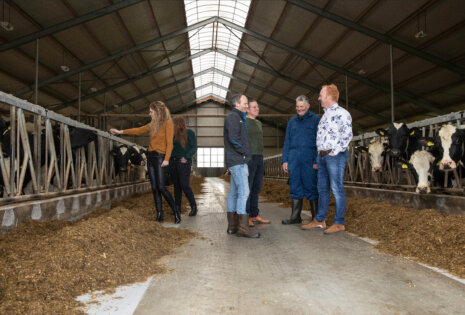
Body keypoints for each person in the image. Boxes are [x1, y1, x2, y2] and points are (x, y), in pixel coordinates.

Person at [109, 101, 180, 224]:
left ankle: (176, 212)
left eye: (151, 112)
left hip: (160, 157)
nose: (149, 114)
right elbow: (138, 130)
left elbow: (170, 143)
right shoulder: (152, 124)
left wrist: (167, 159)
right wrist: (121, 132)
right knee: (154, 187)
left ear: (158, 112)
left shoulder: (168, 124)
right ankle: (159, 215)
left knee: (161, 187)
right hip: (151, 157)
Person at [302, 84, 353, 233]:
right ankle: (320, 220)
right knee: (322, 189)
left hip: (335, 156)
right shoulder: (324, 115)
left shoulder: (343, 113)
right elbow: (320, 138)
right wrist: (320, 155)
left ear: (329, 96)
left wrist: (334, 151)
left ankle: (339, 222)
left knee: (336, 188)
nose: (318, 98)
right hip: (322, 157)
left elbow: (347, 135)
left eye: (320, 95)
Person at [224, 94, 259, 238]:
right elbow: (234, 139)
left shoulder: (238, 117)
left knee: (234, 193)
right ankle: (243, 228)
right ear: (237, 104)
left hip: (235, 160)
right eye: (245, 103)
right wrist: (245, 153)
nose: (247, 106)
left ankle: (232, 226)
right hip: (238, 160)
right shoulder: (233, 117)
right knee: (244, 192)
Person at [281, 95, 320, 225]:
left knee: (311, 186)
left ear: (308, 106)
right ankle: (295, 217)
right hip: (294, 159)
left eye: (302, 107)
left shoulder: (315, 120)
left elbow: (320, 142)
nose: (299, 109)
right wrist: (285, 160)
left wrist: (317, 160)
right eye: (297, 107)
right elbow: (287, 141)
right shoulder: (292, 121)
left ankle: (316, 218)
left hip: (309, 159)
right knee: (295, 186)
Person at [245, 99, 270, 227]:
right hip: (249, 157)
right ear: (247, 109)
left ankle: (255, 214)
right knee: (248, 188)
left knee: (256, 188)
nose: (257, 109)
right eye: (254, 107)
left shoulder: (259, 123)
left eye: (258, 106)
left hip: (259, 157)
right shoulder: (244, 122)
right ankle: (247, 216)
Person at [170, 116, 198, 216]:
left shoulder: (189, 133)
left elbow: (194, 146)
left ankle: (194, 207)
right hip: (172, 162)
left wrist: (186, 157)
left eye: (173, 123)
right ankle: (177, 208)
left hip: (183, 162)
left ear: (178, 124)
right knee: (176, 186)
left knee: (184, 185)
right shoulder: (172, 135)